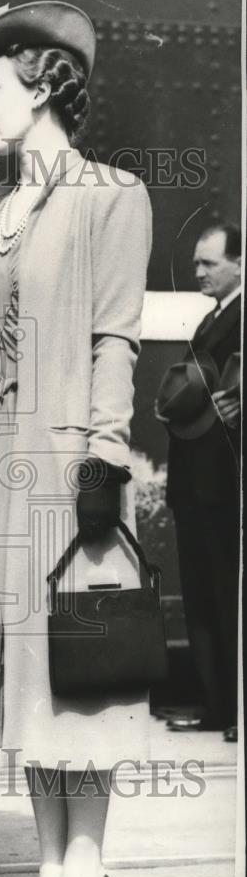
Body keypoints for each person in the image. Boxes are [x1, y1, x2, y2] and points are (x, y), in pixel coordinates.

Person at [0, 1, 152, 877]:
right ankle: (51, 872)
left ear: (43, 84)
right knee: (19, 686)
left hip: (63, 467)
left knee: (71, 680)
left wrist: (105, 456)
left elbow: (114, 334)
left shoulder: (113, 194)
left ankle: (87, 872)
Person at [157, 223, 241, 743]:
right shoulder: (214, 317)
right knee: (203, 596)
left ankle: (234, 709)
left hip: (224, 486)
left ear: (239, 263)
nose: (198, 272)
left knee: (226, 596)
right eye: (196, 263)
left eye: (209, 263)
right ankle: (217, 706)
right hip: (195, 484)